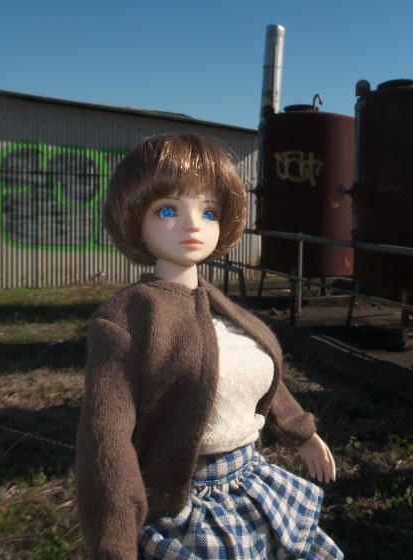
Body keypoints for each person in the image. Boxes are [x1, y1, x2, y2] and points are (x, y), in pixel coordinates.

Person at [76, 132, 343, 559]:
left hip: (250, 483)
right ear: (134, 218)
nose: (193, 225)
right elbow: (107, 445)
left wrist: (301, 433)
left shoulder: (219, 307)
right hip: (187, 504)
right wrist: (115, 543)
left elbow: (254, 373)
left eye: (209, 211)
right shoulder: (126, 318)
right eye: (167, 210)